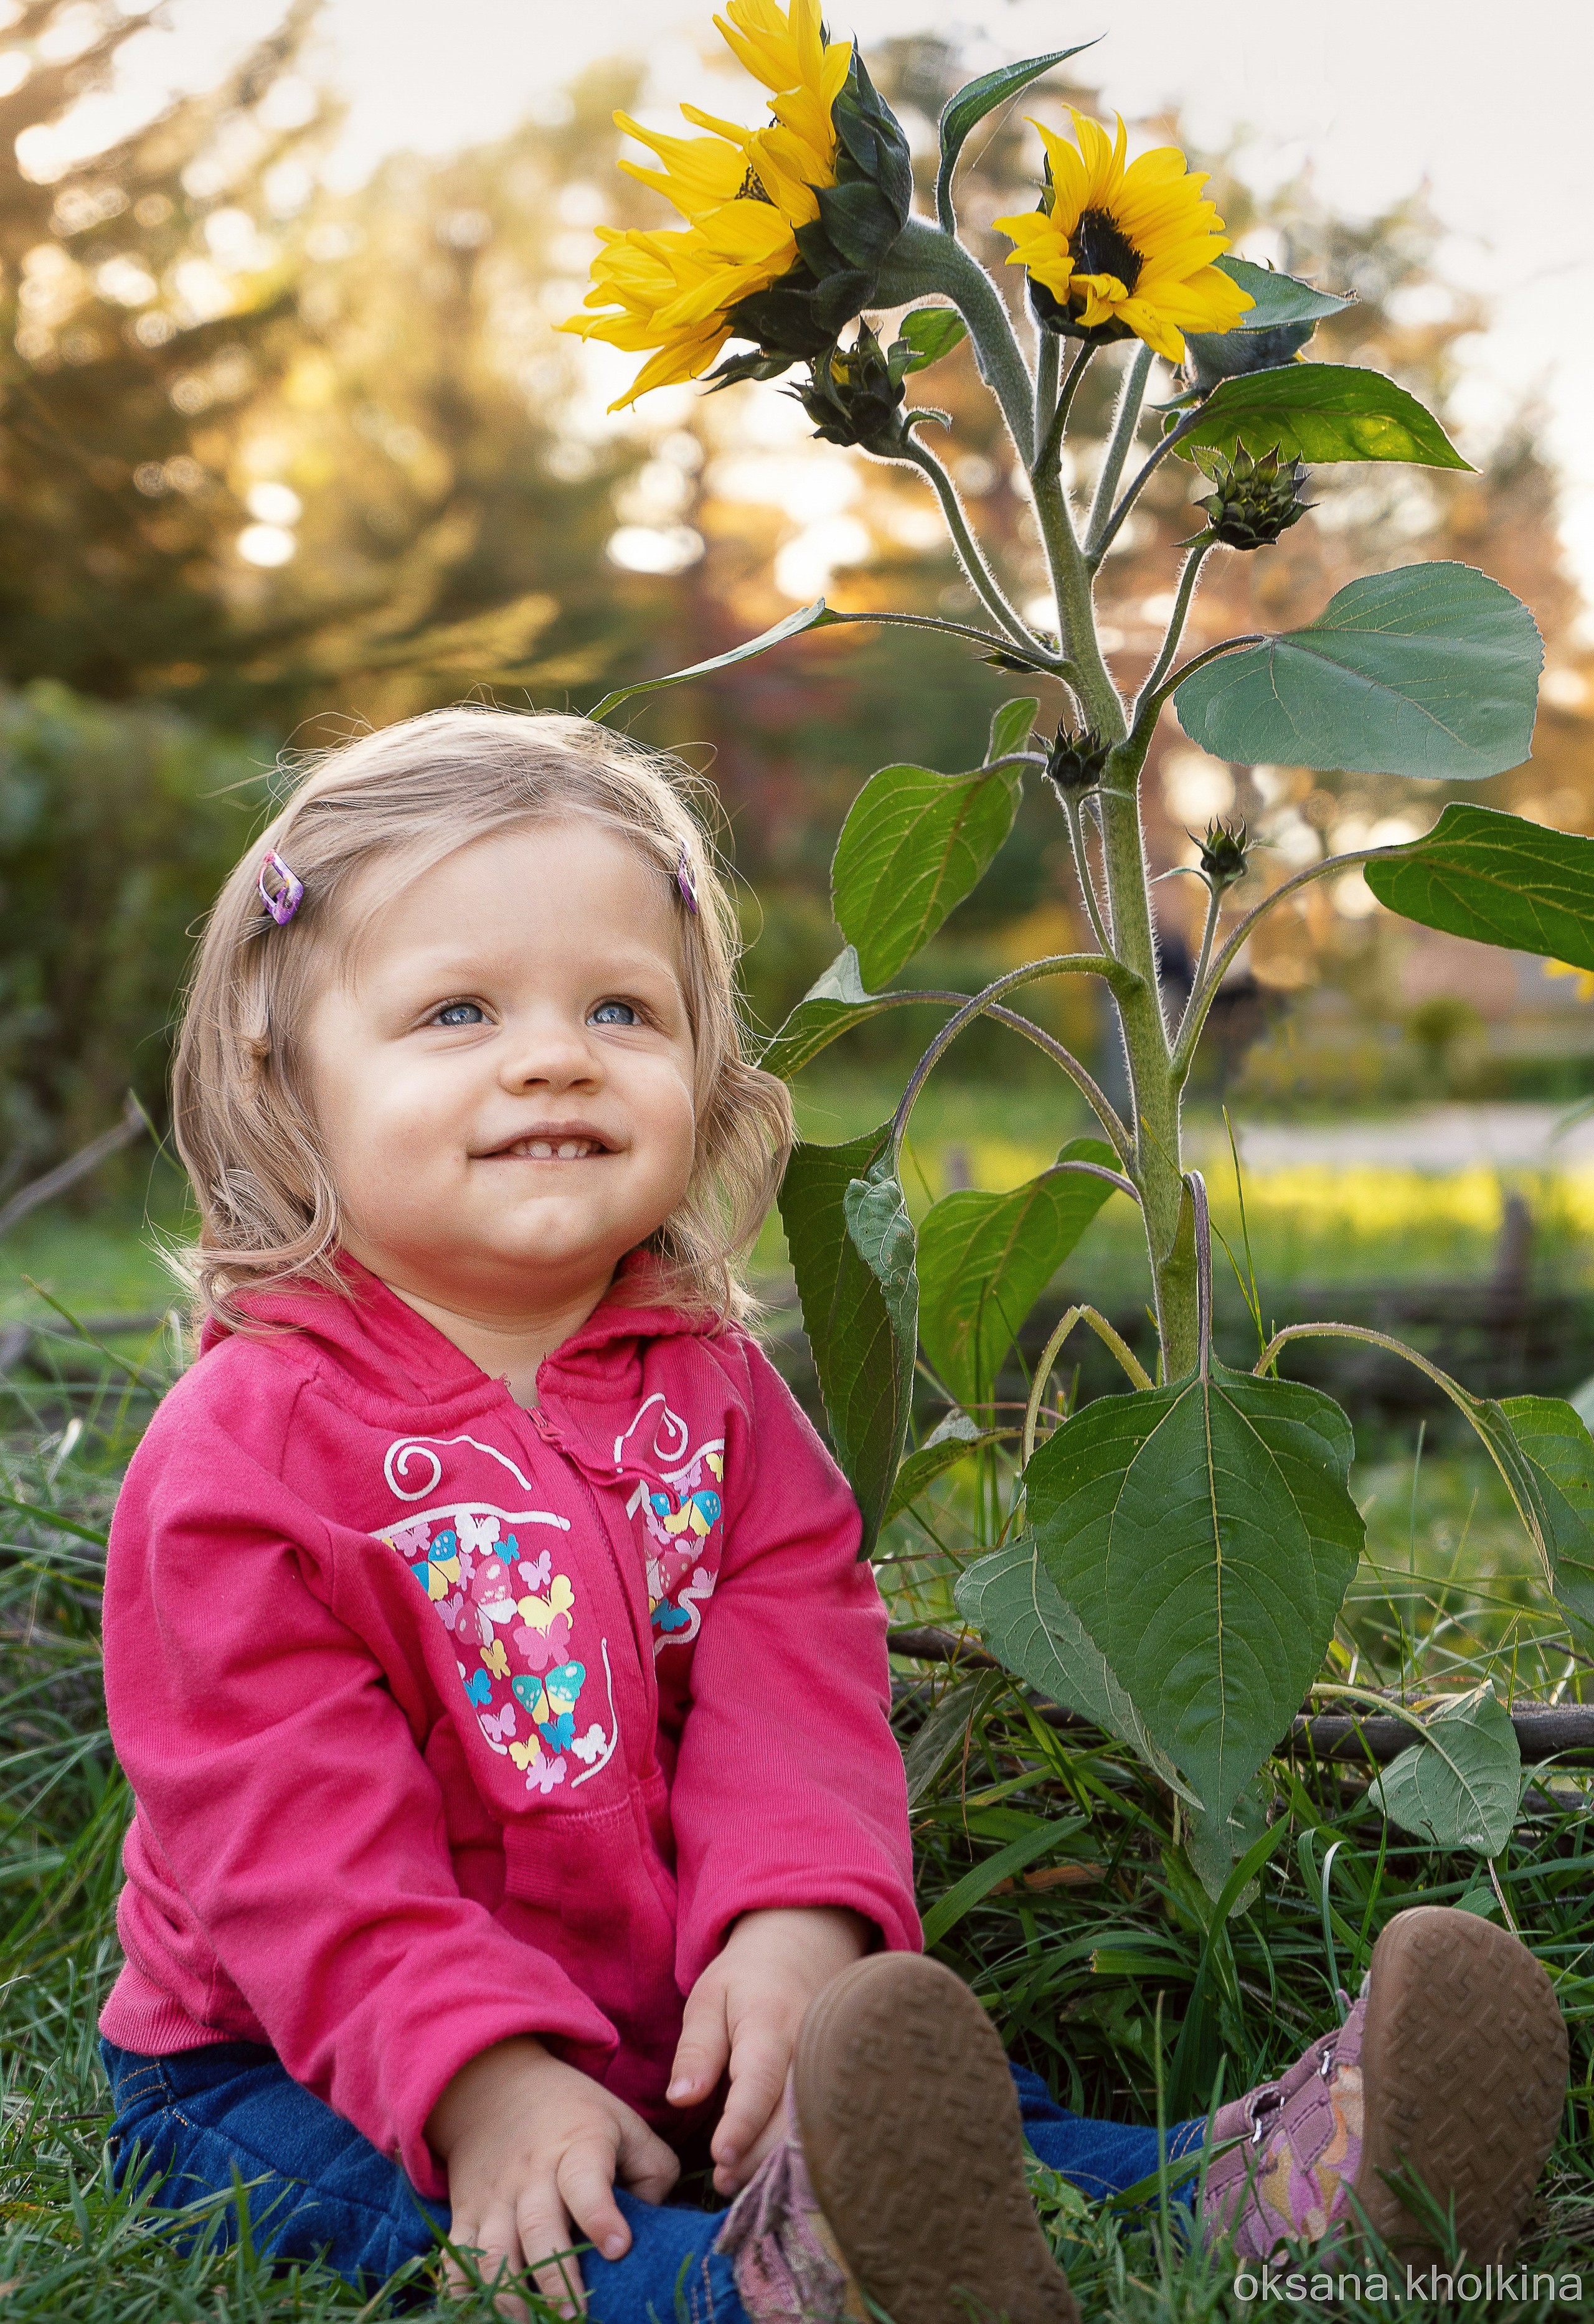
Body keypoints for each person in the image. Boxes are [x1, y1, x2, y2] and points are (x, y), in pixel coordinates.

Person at [99, 707, 1568, 2324]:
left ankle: (1262, 2188)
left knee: (939, 2129)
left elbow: (793, 1671)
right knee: (537, 2236)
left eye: (622, 1008)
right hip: (310, 2066)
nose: (554, 1055)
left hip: (680, 2019)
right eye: (456, 1009)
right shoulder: (246, 1454)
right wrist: (481, 2078)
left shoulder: (714, 1391)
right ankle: (787, 2290)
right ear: (281, 1069)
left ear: (706, 1068)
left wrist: (797, 1929)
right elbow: (292, 1841)